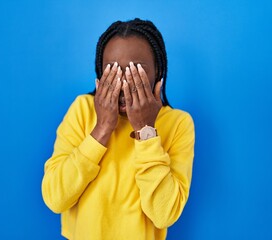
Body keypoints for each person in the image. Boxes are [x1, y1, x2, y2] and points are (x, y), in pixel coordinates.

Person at [41, 18, 195, 240]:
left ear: (158, 73)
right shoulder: (82, 110)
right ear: (99, 75)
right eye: (112, 71)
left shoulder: (179, 124)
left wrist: (145, 130)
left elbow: (164, 214)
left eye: (135, 72)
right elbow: (55, 199)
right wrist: (102, 128)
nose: (123, 84)